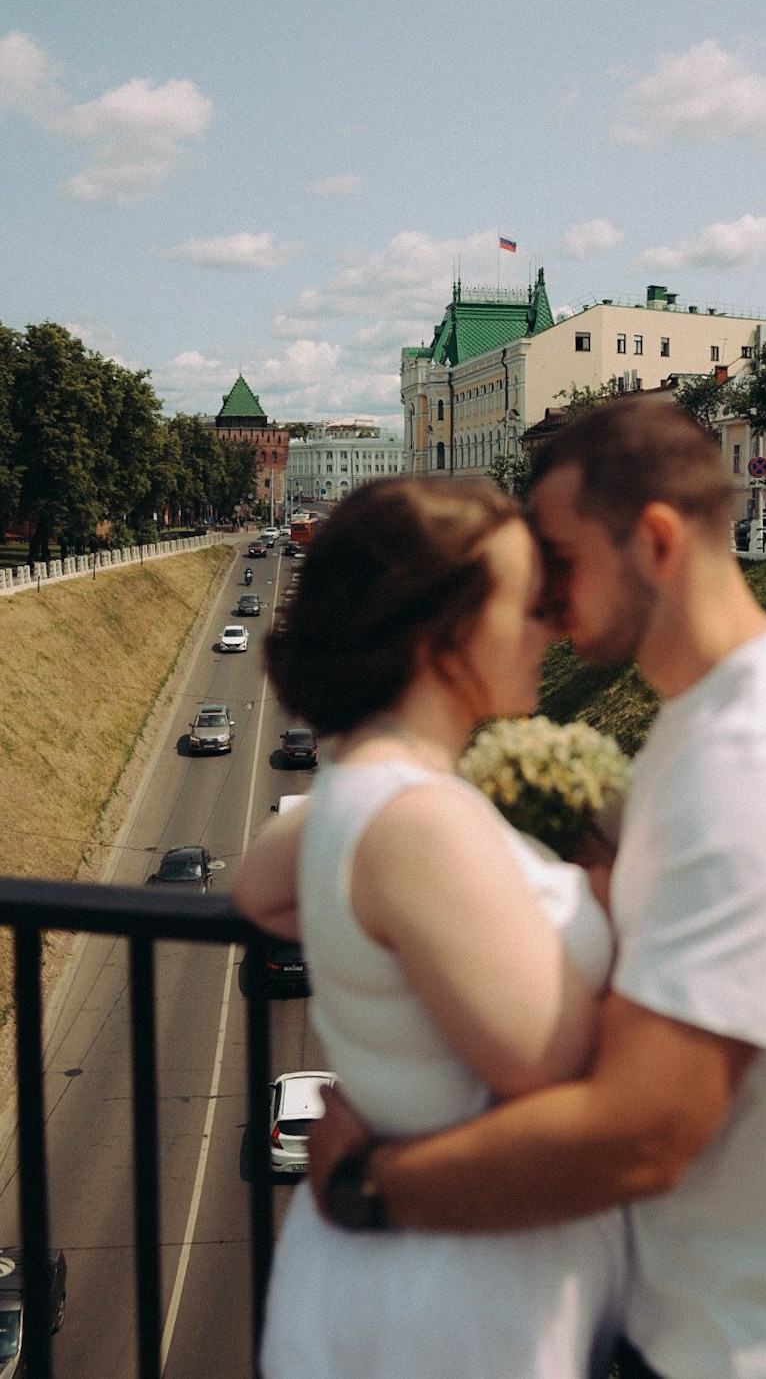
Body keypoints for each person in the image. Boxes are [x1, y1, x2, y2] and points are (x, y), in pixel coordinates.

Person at [307, 395, 766, 1379]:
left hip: (765, 1343)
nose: (542, 600)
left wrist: (372, 1183)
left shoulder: (763, 763)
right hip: (719, 1313)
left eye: (556, 561)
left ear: (652, 541)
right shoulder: (711, 720)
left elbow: (641, 1133)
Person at [232, 476, 626, 1379]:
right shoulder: (419, 823)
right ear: (442, 630)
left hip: (403, 1282)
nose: (551, 627)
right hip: (445, 1314)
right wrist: (607, 894)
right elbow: (551, 1057)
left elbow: (259, 889)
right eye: (527, 605)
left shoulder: (368, 790)